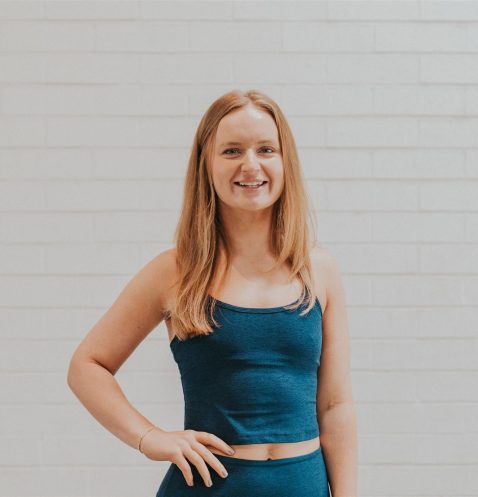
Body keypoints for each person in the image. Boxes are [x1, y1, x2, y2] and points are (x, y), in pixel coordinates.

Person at [67, 89, 358, 497]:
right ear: (206, 163)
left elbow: (335, 407)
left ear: (285, 160)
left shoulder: (319, 270)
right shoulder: (175, 271)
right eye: (232, 151)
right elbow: (87, 365)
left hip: (301, 486)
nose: (250, 165)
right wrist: (150, 438)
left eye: (266, 149)